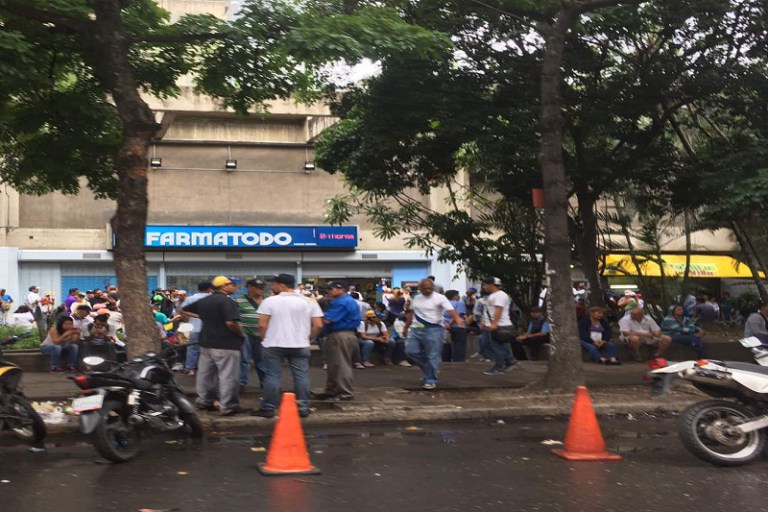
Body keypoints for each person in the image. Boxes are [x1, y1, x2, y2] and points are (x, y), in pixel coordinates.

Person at [252, 274, 323, 418]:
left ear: (281, 285)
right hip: (300, 344)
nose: (271, 287)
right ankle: (303, 407)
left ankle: (268, 408)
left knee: (272, 375)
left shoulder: (269, 301)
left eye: (273, 284)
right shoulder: (309, 301)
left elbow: (261, 324)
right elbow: (318, 325)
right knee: (301, 375)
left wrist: (264, 338)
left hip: (273, 344)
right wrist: (308, 339)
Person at [180, 275, 248, 417]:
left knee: (206, 375)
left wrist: (202, 317)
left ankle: (204, 401)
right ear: (224, 286)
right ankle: (228, 406)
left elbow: (183, 310)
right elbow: (230, 323)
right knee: (227, 376)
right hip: (226, 343)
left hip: (206, 342)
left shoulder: (205, 300)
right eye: (233, 285)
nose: (235, 287)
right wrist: (240, 333)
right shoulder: (227, 302)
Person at [404, 278, 463, 390]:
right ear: (420, 289)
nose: (428, 291)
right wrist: (406, 327)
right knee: (410, 352)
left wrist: (458, 319)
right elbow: (412, 313)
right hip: (416, 329)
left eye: (430, 288)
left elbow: (451, 311)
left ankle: (430, 379)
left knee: (432, 356)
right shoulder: (416, 298)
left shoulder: (440, 298)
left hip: (434, 329)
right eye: (425, 288)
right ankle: (429, 369)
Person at [316, 281, 361, 401]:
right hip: (341, 334)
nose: (328, 291)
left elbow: (327, 320)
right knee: (334, 365)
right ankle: (332, 391)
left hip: (341, 334)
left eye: (331, 289)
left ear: (340, 289)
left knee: (341, 365)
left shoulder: (343, 301)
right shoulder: (343, 300)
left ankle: (345, 393)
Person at [235, 278, 267, 389]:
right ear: (249, 287)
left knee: (262, 360)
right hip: (246, 333)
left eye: (262, 287)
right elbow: (235, 317)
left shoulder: (268, 300)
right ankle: (241, 383)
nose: (261, 289)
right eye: (257, 287)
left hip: (263, 334)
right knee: (244, 360)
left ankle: (265, 383)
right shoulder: (239, 300)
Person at [480, 278, 517, 375]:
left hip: (500, 325)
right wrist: (484, 321)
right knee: (500, 346)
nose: (484, 287)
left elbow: (498, 309)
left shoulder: (500, 295)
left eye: (485, 284)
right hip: (495, 324)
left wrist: (494, 323)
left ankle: (499, 367)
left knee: (497, 348)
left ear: (491, 284)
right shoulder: (494, 295)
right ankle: (510, 361)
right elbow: (490, 310)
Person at [180, 281, 213, 375]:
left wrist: (195, 317)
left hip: (194, 328)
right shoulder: (212, 298)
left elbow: (182, 311)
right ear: (209, 289)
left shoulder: (190, 298)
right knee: (209, 350)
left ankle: (190, 369)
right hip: (210, 330)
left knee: (192, 349)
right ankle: (207, 369)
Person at [444, 290, 468, 362]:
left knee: (446, 344)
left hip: (445, 327)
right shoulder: (459, 304)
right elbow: (458, 315)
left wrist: (446, 324)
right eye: (457, 295)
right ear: (454, 296)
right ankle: (458, 360)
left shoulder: (444, 304)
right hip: (458, 326)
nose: (459, 296)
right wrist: (450, 323)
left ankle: (446, 360)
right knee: (459, 344)